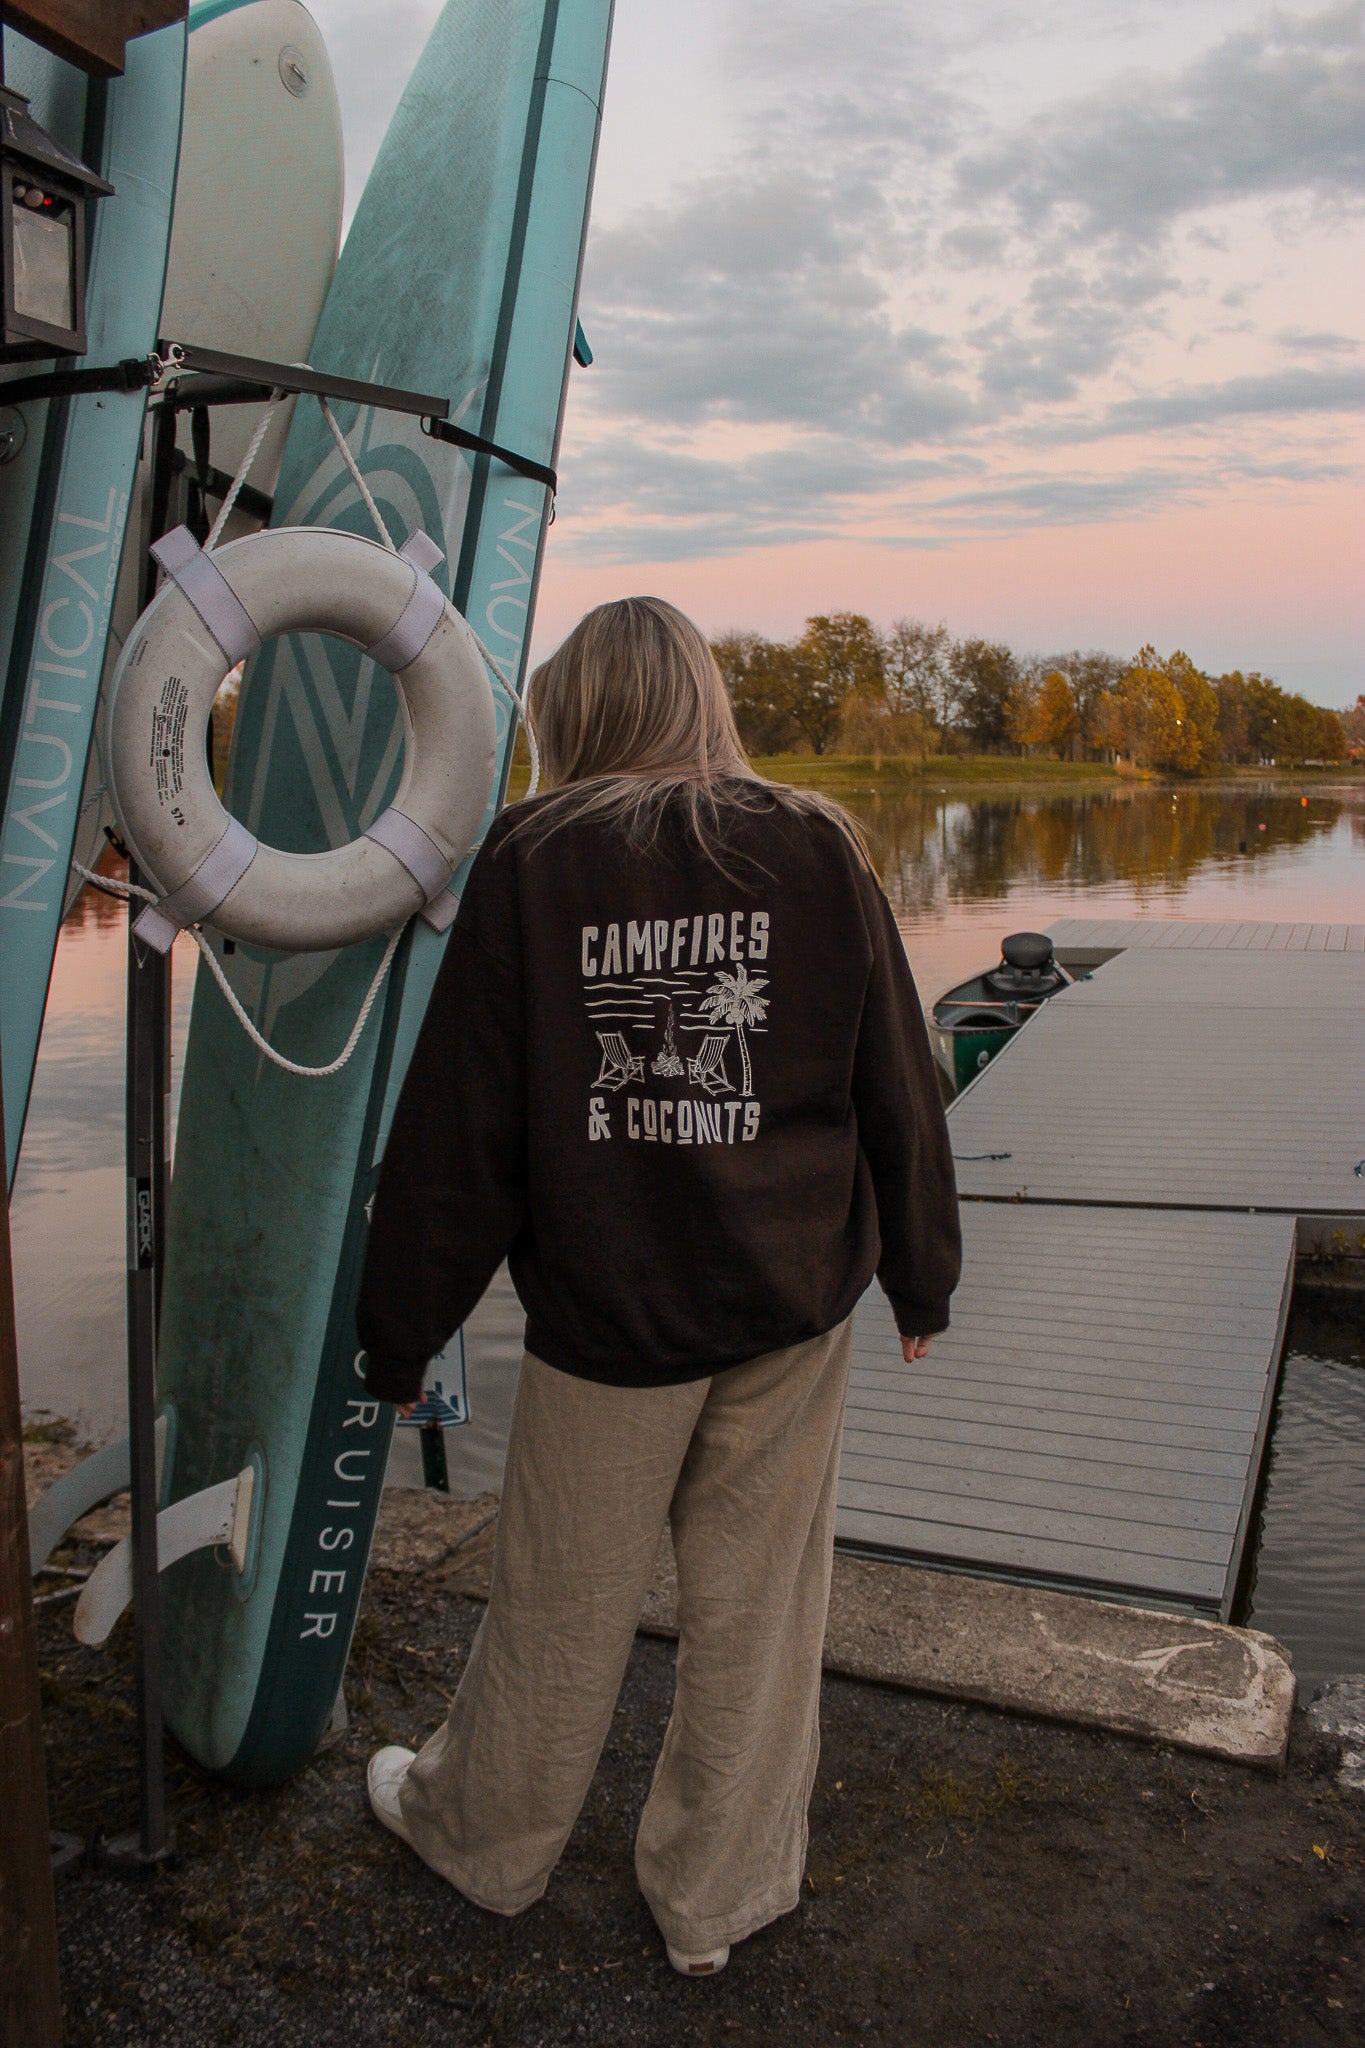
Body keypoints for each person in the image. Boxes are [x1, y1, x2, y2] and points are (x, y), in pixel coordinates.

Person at [355, 595, 961, 1976]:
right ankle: (718, 1900)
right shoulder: (819, 846)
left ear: (575, 716)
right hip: (788, 1304)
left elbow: (462, 1132)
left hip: (610, 1314)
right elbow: (898, 1091)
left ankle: (483, 1846)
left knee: (558, 1604)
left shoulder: (531, 857)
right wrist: (921, 1280)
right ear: (704, 697)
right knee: (759, 1613)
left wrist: (397, 1335)